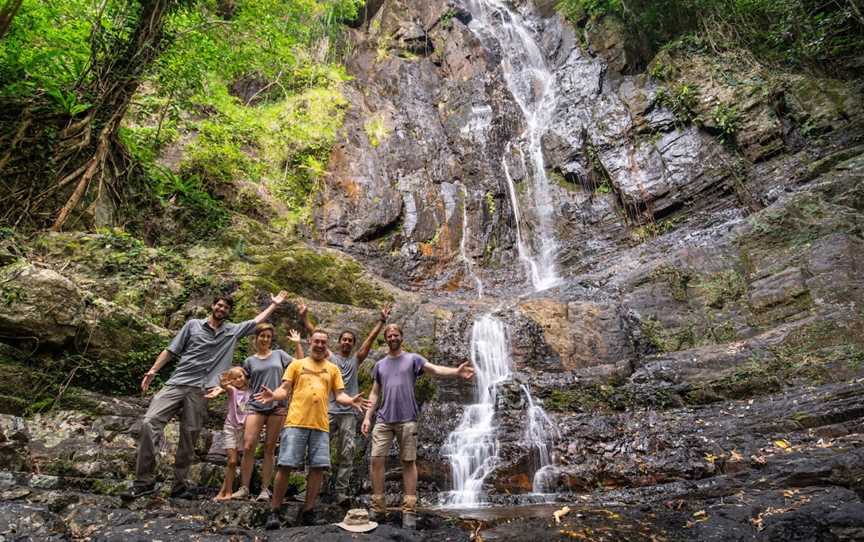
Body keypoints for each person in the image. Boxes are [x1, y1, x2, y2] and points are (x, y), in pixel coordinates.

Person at [122, 291, 288, 500]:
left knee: (189, 435)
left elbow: (255, 321)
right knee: (149, 422)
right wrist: (154, 371)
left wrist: (273, 305)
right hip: (178, 382)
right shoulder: (193, 325)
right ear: (213, 306)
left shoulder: (232, 332)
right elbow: (171, 350)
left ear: (228, 312)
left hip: (202, 390)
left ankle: (179, 485)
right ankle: (143, 481)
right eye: (219, 305)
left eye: (225, 308)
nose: (221, 309)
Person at [253, 329, 370, 529]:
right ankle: (274, 511)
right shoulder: (296, 365)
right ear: (310, 342)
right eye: (316, 341)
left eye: (323, 342)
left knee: (317, 468)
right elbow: (284, 389)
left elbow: (339, 395)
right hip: (296, 422)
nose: (319, 345)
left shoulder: (332, 369)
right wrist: (273, 395)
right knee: (285, 465)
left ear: (327, 345)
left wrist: (351, 400)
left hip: (320, 425)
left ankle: (308, 511)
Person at [361, 324, 475, 529]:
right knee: (376, 460)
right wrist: (368, 417)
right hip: (384, 419)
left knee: (408, 461)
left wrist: (456, 372)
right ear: (386, 339)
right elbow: (375, 393)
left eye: (396, 334)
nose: (393, 337)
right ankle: (378, 507)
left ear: (401, 338)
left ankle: (409, 510)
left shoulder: (413, 359)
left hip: (407, 418)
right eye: (389, 335)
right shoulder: (380, 365)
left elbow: (434, 369)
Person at [299, 302, 391, 505]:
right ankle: (311, 489)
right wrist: (305, 318)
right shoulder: (331, 358)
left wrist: (381, 322)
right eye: (344, 340)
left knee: (347, 452)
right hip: (328, 411)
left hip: (348, 412)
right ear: (339, 342)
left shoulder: (356, 360)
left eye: (350, 340)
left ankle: (340, 491)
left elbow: (369, 340)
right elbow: (315, 334)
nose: (347, 343)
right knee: (317, 449)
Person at [230, 323, 303, 501]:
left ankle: (264, 490)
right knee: (248, 446)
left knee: (270, 448)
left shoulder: (279, 355)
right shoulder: (249, 361)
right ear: (256, 338)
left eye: (268, 337)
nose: (265, 339)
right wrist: (224, 388)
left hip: (277, 405)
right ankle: (244, 487)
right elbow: (241, 383)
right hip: (255, 405)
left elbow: (300, 365)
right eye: (262, 336)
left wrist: (297, 344)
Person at [209, 367, 250, 501]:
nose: (238, 380)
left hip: (245, 429)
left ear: (245, 376)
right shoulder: (233, 391)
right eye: (234, 378)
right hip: (231, 427)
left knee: (240, 459)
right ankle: (228, 490)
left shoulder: (252, 392)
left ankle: (224, 491)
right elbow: (224, 386)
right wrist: (224, 382)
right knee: (232, 461)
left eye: (240, 376)